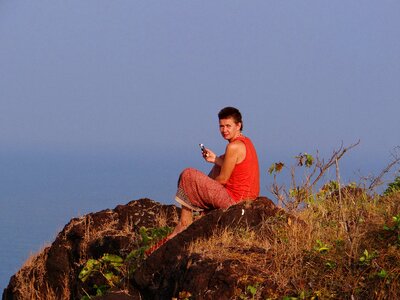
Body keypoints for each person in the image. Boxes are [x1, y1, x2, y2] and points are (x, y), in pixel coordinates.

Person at [146, 107, 260, 255]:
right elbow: (232, 166)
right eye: (221, 126)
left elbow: (223, 179)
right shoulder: (246, 142)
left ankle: (184, 223)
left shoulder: (233, 146)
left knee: (188, 174)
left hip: (235, 201)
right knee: (217, 165)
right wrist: (215, 160)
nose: (224, 130)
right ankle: (194, 215)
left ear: (238, 125)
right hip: (247, 199)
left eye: (228, 126)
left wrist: (204, 187)